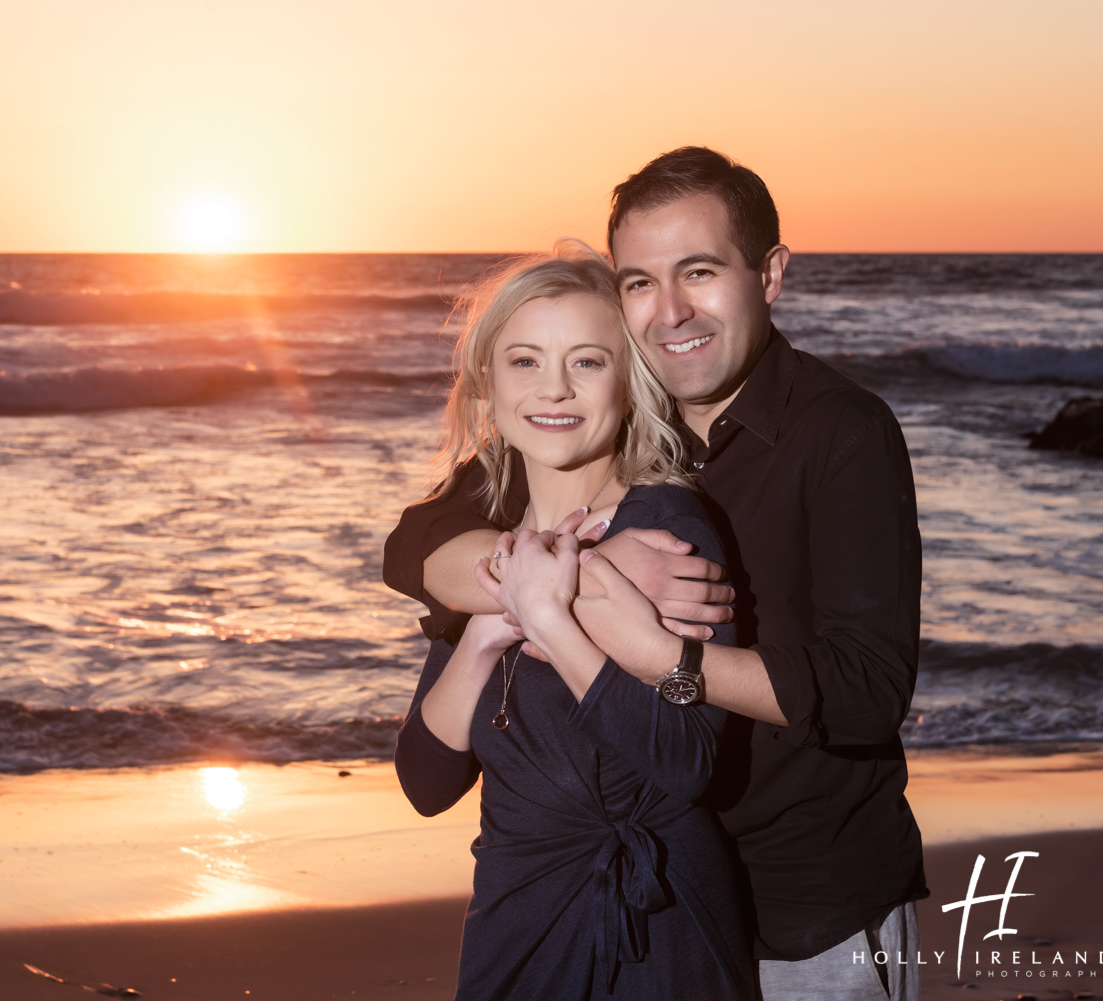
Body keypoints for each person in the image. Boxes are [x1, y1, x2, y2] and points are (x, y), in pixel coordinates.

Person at [384, 148, 927, 1001]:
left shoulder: (842, 432)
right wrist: (579, 573)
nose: (671, 311)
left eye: (700, 272)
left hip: (807, 895)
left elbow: (864, 690)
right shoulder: (585, 418)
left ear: (771, 273)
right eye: (639, 281)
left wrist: (652, 648)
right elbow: (414, 541)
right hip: (626, 895)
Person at [392, 244, 757, 1000]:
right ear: (486, 386)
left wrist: (552, 620)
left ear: (630, 382)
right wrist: (493, 626)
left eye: (588, 362)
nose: (553, 387)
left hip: (654, 927)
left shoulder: (666, 529)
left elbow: (687, 761)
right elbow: (425, 783)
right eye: (524, 361)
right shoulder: (495, 545)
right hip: (513, 920)